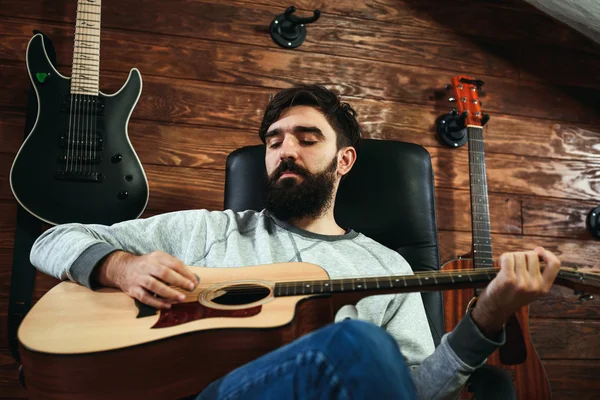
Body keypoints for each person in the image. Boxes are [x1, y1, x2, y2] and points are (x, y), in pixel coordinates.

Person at [30, 84, 561, 399]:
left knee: (362, 349)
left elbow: (415, 391)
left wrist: (486, 320)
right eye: (275, 141)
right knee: (357, 342)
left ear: (344, 160)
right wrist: (120, 267)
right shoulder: (209, 230)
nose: (286, 150)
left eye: (308, 140)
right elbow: (53, 239)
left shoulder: (387, 264)